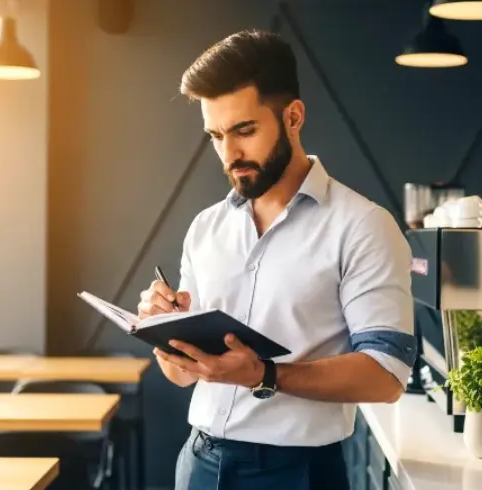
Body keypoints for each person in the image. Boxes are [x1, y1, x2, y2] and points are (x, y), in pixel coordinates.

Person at [137, 29, 417, 490]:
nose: (230, 154)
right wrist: (164, 332)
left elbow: (386, 377)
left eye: (244, 131)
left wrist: (264, 374)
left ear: (293, 116)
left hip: (296, 473)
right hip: (198, 464)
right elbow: (180, 375)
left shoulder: (363, 225)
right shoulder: (206, 227)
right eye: (216, 135)